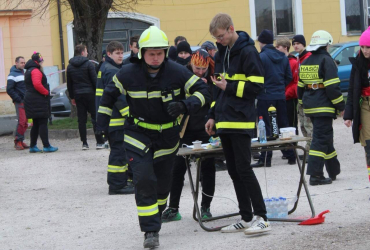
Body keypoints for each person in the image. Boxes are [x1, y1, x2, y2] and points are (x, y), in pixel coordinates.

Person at [96, 26, 210, 248]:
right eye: (151, 53)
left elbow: (203, 92)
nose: (156, 58)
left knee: (162, 185)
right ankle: (150, 231)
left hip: (168, 136)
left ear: (165, 52)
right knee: (144, 179)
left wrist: (184, 105)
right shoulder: (127, 73)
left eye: (160, 53)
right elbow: (108, 95)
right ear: (142, 53)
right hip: (137, 134)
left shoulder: (177, 72)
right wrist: (101, 125)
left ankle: (156, 213)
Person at [205, 13, 271, 235]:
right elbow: (217, 87)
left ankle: (262, 216)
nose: (219, 41)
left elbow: (258, 87)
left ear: (231, 29)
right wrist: (212, 115)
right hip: (224, 119)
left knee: (244, 169)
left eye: (221, 36)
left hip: (241, 119)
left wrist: (230, 88)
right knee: (233, 170)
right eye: (216, 38)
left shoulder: (248, 51)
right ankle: (245, 217)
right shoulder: (223, 52)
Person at [162, 49, 216, 222]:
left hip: (205, 129)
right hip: (184, 129)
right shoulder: (183, 75)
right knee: (176, 169)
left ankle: (205, 207)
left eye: (203, 69)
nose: (200, 72)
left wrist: (207, 86)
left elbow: (215, 101)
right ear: (191, 64)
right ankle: (173, 208)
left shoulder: (212, 79)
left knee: (207, 169)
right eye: (197, 68)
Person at [297, 30, 345, 185]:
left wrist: (302, 102)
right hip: (324, 106)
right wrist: (341, 106)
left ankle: (333, 170)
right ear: (326, 45)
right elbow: (332, 88)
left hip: (310, 106)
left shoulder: (305, 62)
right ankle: (315, 175)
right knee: (320, 139)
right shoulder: (327, 60)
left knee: (325, 137)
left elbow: (300, 87)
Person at [251, 29, 295, 168]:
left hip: (265, 96)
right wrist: (280, 87)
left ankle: (266, 158)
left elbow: (256, 78)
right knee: (283, 125)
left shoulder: (261, 57)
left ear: (261, 43)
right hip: (280, 96)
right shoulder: (283, 57)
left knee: (265, 127)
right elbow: (289, 76)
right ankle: (291, 155)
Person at [96, 41, 134, 195]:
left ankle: (121, 181)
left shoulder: (106, 68)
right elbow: (118, 98)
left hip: (110, 120)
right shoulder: (111, 71)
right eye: (117, 53)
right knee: (119, 152)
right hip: (116, 120)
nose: (120, 55)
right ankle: (117, 185)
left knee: (119, 151)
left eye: (121, 52)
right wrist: (130, 115)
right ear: (109, 54)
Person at [344, 26, 370, 183]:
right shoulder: (358, 63)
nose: (365, 51)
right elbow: (352, 89)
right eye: (363, 47)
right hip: (365, 106)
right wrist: (348, 115)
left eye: (368, 47)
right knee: (368, 145)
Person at [67, 44, 105, 150]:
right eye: (86, 51)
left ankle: (84, 143)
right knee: (95, 117)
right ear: (83, 52)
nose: (87, 53)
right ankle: (99, 142)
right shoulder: (89, 64)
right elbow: (94, 81)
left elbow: (69, 84)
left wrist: (72, 97)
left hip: (78, 95)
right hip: (90, 95)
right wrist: (98, 94)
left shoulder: (70, 66)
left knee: (82, 119)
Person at [24, 52, 58, 153]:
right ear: (38, 61)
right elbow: (37, 85)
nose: (42, 63)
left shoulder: (29, 70)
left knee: (36, 123)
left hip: (32, 99)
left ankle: (33, 146)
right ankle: (46, 146)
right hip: (37, 99)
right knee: (43, 122)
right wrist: (46, 92)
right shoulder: (35, 70)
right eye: (41, 61)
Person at [293, 34, 313, 160]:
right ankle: (308, 148)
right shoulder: (299, 58)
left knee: (308, 124)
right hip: (301, 96)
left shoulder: (308, 57)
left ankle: (311, 151)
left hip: (308, 95)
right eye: (294, 44)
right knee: (302, 124)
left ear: (303, 44)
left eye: (298, 43)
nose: (295, 45)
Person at [275, 37, 299, 135]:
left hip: (289, 99)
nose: (276, 49)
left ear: (285, 48)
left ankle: (293, 147)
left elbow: (295, 82)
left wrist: (285, 94)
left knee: (291, 124)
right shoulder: (277, 61)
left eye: (278, 47)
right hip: (279, 97)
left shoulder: (293, 62)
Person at [6, 56, 29, 150]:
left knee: (26, 122)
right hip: (20, 101)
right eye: (21, 62)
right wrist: (18, 99)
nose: (23, 64)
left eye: (24, 62)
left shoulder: (24, 73)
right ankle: (17, 141)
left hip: (26, 101)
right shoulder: (12, 74)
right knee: (22, 121)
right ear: (16, 63)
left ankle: (21, 140)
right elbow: (9, 89)